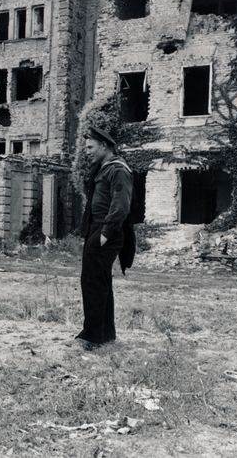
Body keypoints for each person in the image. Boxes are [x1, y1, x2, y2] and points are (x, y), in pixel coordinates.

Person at [76, 126, 133, 350]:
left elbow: (121, 205)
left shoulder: (118, 170)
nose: (87, 151)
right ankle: (105, 335)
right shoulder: (104, 169)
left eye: (91, 147)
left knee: (93, 284)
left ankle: (92, 337)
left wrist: (105, 234)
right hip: (96, 230)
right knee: (99, 283)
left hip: (105, 231)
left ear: (104, 146)